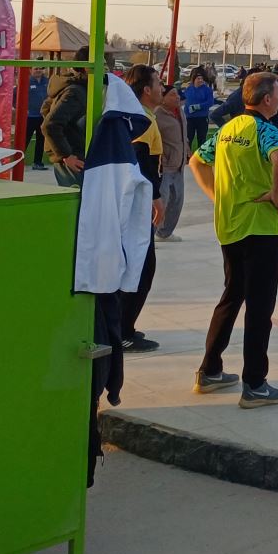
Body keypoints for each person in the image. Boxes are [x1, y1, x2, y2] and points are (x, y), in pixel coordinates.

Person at [188, 72, 278, 407]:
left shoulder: (228, 129)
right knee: (260, 307)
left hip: (230, 224)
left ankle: (209, 370)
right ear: (267, 99)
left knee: (232, 295)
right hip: (260, 227)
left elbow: (196, 161)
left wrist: (217, 196)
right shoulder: (265, 129)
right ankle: (255, 384)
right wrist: (276, 193)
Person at [120, 65, 164, 354]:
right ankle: (123, 331)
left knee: (140, 264)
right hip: (138, 203)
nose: (163, 87)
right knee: (142, 267)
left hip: (136, 201)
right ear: (146, 90)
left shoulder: (137, 115)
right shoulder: (142, 120)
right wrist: (155, 198)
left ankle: (125, 326)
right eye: (158, 83)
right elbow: (140, 162)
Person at [42, 57, 92, 189]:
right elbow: (50, 124)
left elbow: (45, 108)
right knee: (77, 197)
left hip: (71, 152)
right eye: (102, 64)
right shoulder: (75, 91)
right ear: (87, 67)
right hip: (73, 156)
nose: (106, 68)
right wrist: (66, 155)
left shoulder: (69, 86)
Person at [155, 82, 188, 242]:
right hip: (165, 166)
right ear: (163, 98)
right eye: (172, 95)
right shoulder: (157, 115)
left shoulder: (179, 112)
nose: (177, 97)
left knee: (177, 201)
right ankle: (151, 233)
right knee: (162, 201)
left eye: (177, 94)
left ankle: (165, 233)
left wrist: (186, 149)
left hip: (179, 165)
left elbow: (183, 134)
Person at [183, 68, 215, 151]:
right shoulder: (188, 89)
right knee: (188, 138)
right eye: (198, 79)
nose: (200, 80)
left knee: (201, 139)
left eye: (202, 79)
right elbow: (182, 99)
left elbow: (210, 102)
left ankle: (201, 155)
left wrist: (198, 106)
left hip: (202, 118)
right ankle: (187, 155)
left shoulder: (207, 90)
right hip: (189, 118)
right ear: (193, 79)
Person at [24, 69, 49, 164]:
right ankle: (18, 162)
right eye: (36, 68)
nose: (38, 70)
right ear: (31, 70)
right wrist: (23, 109)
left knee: (41, 140)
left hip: (43, 116)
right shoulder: (26, 82)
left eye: (40, 68)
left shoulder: (47, 81)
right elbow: (15, 96)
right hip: (30, 117)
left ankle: (38, 162)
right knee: (25, 139)